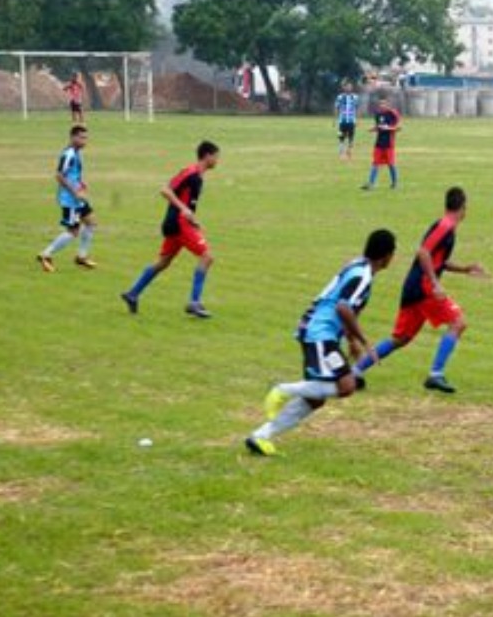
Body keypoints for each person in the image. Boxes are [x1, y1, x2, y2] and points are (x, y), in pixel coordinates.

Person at [245, 229, 397, 456]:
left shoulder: (358, 265)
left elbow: (342, 304)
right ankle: (281, 389)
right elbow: (343, 307)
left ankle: (260, 436)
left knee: (315, 399)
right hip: (319, 333)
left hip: (317, 330)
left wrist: (351, 340)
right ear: (387, 255)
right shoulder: (363, 275)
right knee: (347, 386)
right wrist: (365, 342)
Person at [353, 187, 485, 393]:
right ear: (463, 207)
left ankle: (355, 372)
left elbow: (437, 260)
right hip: (423, 288)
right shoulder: (445, 226)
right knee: (458, 323)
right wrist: (435, 283)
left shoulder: (446, 227)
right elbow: (423, 252)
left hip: (414, 287)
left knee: (400, 339)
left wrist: (465, 268)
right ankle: (436, 374)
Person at [120, 141, 221, 318]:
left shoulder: (198, 176)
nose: (218, 160)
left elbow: (186, 201)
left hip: (179, 222)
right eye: (216, 156)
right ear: (207, 156)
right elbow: (165, 190)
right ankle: (194, 302)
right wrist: (184, 210)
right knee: (207, 257)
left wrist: (192, 218)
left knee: (163, 262)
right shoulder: (190, 172)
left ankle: (132, 294)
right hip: (179, 223)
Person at [37, 125, 97, 272]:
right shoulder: (68, 154)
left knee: (91, 222)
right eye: (82, 138)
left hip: (78, 197)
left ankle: (81, 257)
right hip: (70, 199)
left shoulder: (77, 153)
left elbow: (73, 173)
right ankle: (46, 254)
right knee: (72, 231)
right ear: (73, 137)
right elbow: (59, 176)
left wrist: (81, 182)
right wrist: (74, 192)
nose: (85, 141)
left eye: (86, 138)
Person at [362, 98, 401, 190]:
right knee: (375, 163)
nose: (382, 106)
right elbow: (378, 127)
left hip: (389, 143)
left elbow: (398, 128)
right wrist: (373, 129)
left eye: (384, 104)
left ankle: (395, 183)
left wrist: (388, 128)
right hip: (379, 143)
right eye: (380, 104)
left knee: (391, 164)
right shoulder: (378, 115)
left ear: (388, 105)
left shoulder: (392, 114)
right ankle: (371, 184)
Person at [334, 82, 360, 161]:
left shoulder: (355, 97)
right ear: (344, 88)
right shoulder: (340, 97)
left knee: (351, 138)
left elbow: (357, 108)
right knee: (341, 138)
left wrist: (358, 120)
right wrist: (335, 119)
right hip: (342, 120)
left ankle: (349, 153)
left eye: (350, 87)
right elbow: (336, 108)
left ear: (352, 88)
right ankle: (341, 154)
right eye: (347, 87)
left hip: (352, 121)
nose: (349, 88)